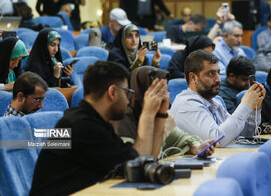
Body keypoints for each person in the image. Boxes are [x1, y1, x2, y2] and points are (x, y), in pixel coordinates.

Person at [30, 61, 168, 195]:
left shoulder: (96, 123)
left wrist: (161, 114)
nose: (128, 101)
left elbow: (147, 161)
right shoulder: (82, 126)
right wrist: (148, 113)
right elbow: (137, 164)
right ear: (112, 92)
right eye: (127, 93)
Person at [112, 66, 216, 157]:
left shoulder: (157, 114)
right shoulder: (122, 121)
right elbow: (145, 160)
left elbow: (181, 138)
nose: (165, 97)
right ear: (142, 92)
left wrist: (197, 147)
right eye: (158, 91)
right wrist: (163, 132)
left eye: (166, 90)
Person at [170, 50, 265, 147]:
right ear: (193, 78)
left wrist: (254, 108)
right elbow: (217, 140)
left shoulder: (215, 102)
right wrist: (245, 105)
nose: (218, 79)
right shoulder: (186, 104)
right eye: (211, 74)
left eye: (218, 73)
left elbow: (244, 134)